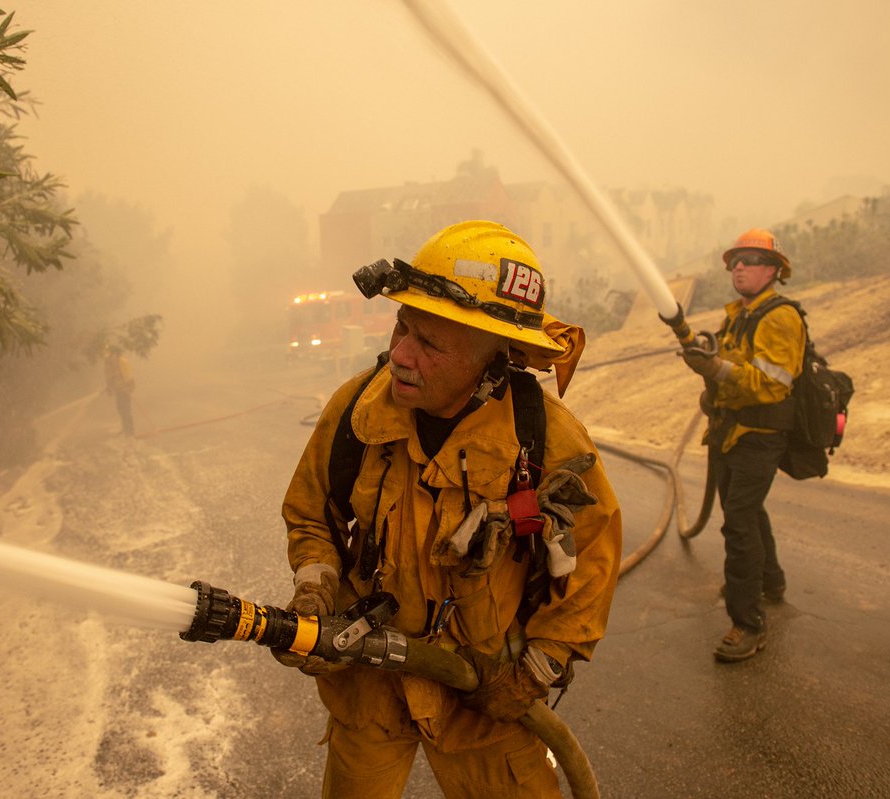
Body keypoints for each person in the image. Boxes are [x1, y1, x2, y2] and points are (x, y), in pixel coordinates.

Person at [278, 220, 623, 797]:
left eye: (431, 344)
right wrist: (315, 590)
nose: (400, 356)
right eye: (401, 327)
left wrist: (533, 673)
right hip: (369, 683)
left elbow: (591, 560)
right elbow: (312, 516)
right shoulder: (355, 413)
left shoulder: (545, 438)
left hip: (485, 695)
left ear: (494, 361)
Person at [679, 228, 806, 662]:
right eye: (735, 261)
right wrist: (708, 364)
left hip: (761, 434)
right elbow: (731, 363)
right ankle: (769, 582)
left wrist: (715, 370)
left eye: (750, 261)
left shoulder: (781, 318)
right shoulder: (740, 314)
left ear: (773, 270)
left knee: (738, 521)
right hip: (732, 429)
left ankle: (747, 621)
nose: (739, 268)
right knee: (747, 509)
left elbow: (771, 383)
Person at [103, 343, 135, 436]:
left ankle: (130, 432)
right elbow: (110, 376)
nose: (108, 355)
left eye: (110, 353)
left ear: (114, 353)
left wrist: (127, 388)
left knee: (125, 410)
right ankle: (125, 429)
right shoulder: (109, 362)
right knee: (120, 408)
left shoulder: (121, 361)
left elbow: (128, 376)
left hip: (124, 389)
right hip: (118, 389)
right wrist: (109, 386)